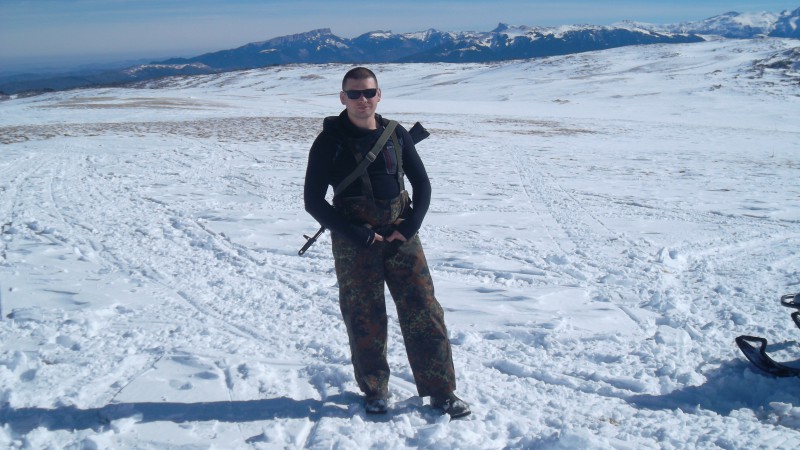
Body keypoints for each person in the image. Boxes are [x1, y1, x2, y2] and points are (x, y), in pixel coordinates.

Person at [303, 67, 470, 418]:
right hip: (355, 243)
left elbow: (422, 185)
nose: (362, 100)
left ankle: (441, 390)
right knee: (364, 315)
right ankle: (375, 388)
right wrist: (357, 233)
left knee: (424, 310)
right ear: (342, 97)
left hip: (400, 237)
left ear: (379, 95)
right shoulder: (328, 142)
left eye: (368, 92)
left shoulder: (396, 134)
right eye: (354, 94)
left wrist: (410, 227)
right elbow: (313, 201)